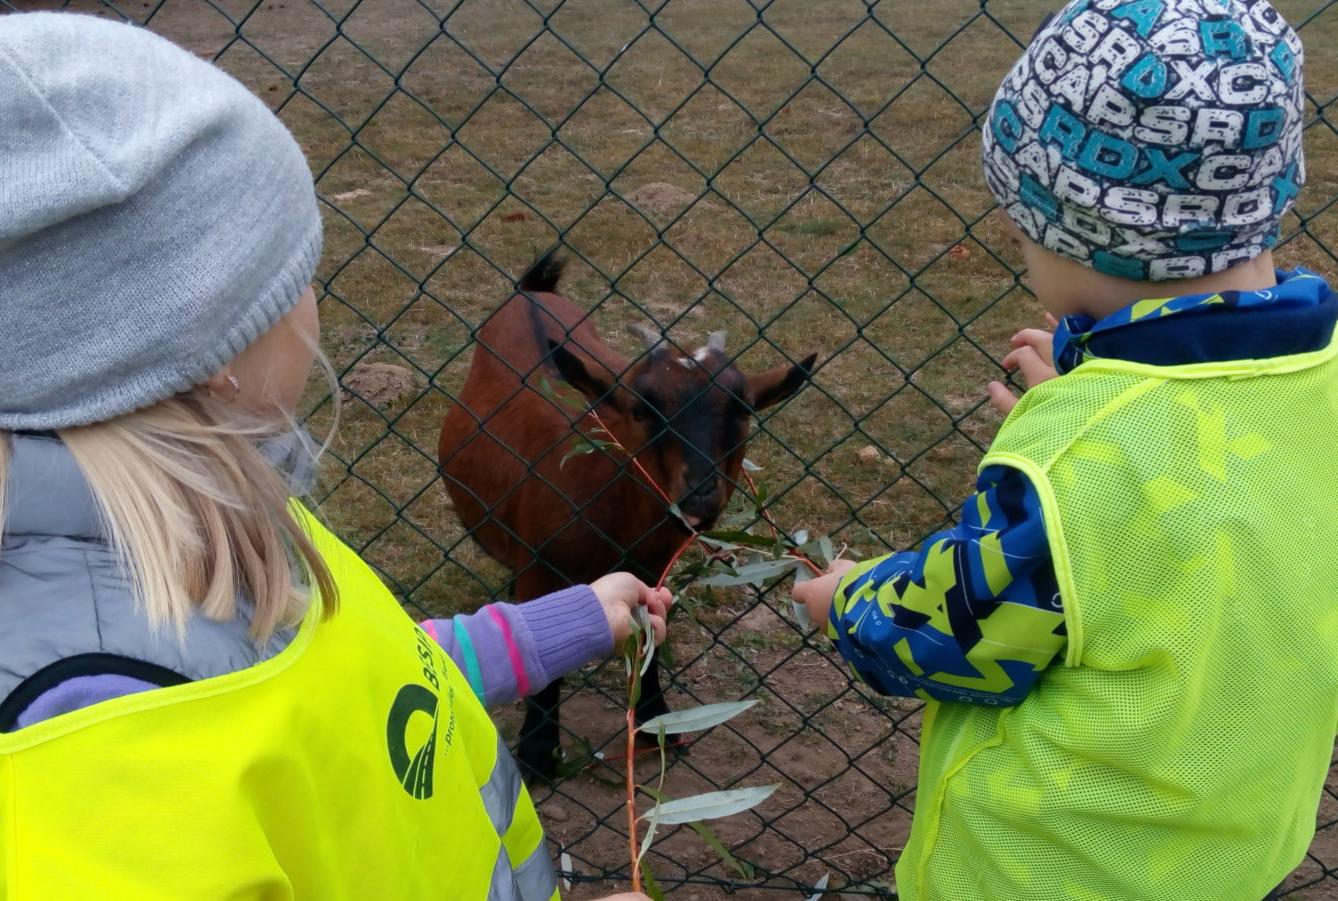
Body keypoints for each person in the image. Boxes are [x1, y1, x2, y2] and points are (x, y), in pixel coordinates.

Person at [0, 12, 660, 900]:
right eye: (295, 271)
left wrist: (569, 620)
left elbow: (360, 687)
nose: (312, 297)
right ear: (211, 346)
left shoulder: (229, 519)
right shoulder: (85, 720)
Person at [794, 2, 1336, 899]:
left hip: (1055, 869)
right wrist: (1088, 390)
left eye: (1023, 233)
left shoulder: (1080, 458)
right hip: (1232, 848)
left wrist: (846, 597)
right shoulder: (1315, 377)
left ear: (1086, 231)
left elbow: (949, 635)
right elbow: (1205, 470)